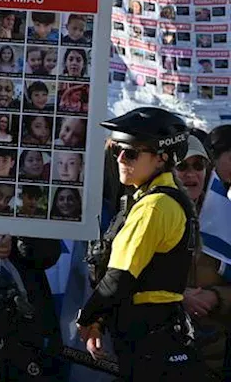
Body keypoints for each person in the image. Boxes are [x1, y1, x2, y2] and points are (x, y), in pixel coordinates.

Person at [77, 107, 200, 380]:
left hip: (149, 342)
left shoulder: (155, 206)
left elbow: (120, 277)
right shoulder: (153, 198)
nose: (120, 158)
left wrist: (86, 318)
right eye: (118, 150)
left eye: (131, 152)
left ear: (161, 159)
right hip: (155, 336)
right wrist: (98, 321)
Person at [177, 131, 231, 376]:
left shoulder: (226, 220)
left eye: (198, 165)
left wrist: (215, 298)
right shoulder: (143, 217)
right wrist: (177, 298)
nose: (191, 174)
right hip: (157, 352)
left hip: (213, 357)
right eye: (182, 165)